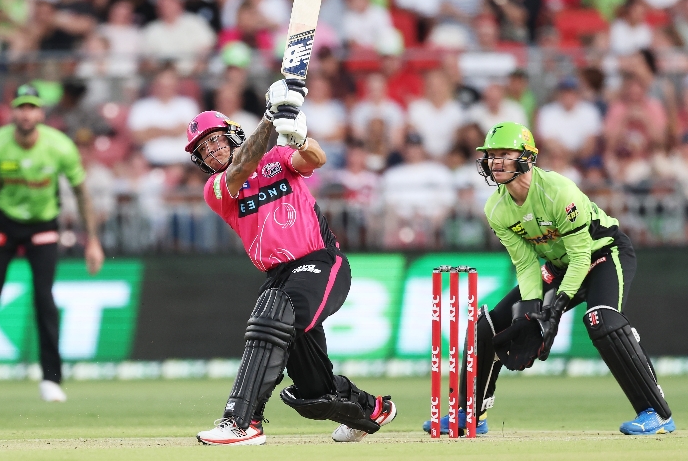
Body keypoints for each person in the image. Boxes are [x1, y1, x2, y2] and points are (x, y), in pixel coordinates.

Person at [423, 122, 676, 436]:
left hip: (603, 253)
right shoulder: (496, 208)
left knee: (601, 320)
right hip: (559, 266)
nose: (495, 162)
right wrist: (530, 309)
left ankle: (656, 413)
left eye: (504, 154)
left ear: (527, 157)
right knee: (487, 327)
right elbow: (526, 263)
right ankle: (470, 413)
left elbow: (581, 257)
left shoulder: (558, 191)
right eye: (491, 155)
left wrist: (555, 309)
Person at [187, 79, 397, 446]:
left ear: (233, 135)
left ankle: (242, 422)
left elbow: (316, 158)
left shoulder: (276, 158)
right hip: (278, 275)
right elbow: (240, 168)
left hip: (319, 261)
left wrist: (299, 140)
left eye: (216, 140)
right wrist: (270, 118)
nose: (212, 151)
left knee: (271, 319)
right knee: (314, 391)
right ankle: (371, 408)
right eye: (204, 149)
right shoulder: (216, 189)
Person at [0, 84, 105, 403]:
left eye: (32, 108)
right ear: (12, 112)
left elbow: (81, 192)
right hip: (4, 223)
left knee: (44, 298)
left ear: (41, 113)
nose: (26, 114)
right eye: (21, 107)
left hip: (43, 224)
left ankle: (51, 378)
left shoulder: (60, 146)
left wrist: (92, 241)